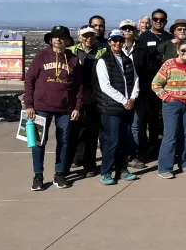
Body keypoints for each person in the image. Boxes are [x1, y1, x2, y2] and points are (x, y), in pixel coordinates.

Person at [24, 26, 82, 191]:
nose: (58, 40)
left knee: (64, 141)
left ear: (67, 41)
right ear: (51, 39)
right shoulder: (41, 56)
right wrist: (29, 105)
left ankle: (60, 173)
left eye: (62, 37)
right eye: (55, 37)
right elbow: (29, 81)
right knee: (38, 142)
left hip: (65, 108)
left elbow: (79, 86)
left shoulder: (73, 60)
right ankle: (38, 175)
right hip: (41, 107)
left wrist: (77, 107)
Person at [94, 29, 140, 185]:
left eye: (120, 40)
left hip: (126, 107)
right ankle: (106, 172)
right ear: (109, 42)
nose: (118, 43)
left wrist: (132, 97)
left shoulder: (127, 60)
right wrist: (123, 100)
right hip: (111, 108)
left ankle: (122, 169)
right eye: (114, 40)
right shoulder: (103, 61)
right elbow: (105, 86)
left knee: (124, 140)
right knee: (111, 140)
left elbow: (135, 80)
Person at [152, 39, 186, 179]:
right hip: (172, 104)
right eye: (184, 50)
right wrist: (166, 98)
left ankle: (184, 163)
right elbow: (156, 84)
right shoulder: (169, 64)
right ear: (177, 50)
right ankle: (164, 168)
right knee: (170, 136)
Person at [67, 25, 106, 177]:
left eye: (91, 35)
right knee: (74, 132)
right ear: (79, 37)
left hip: (95, 98)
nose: (89, 38)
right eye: (85, 35)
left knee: (92, 132)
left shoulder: (102, 52)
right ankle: (74, 159)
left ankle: (89, 164)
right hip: (75, 98)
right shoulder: (71, 51)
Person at [138, 8, 173, 159]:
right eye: (156, 19)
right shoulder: (144, 37)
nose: (159, 22)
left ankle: (165, 148)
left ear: (166, 21)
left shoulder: (170, 38)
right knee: (149, 118)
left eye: (162, 19)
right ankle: (148, 148)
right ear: (152, 21)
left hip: (169, 84)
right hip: (148, 84)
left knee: (165, 119)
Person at [119, 19, 150, 169]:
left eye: (130, 28)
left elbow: (147, 70)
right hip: (118, 93)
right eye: (124, 28)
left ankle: (135, 155)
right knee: (119, 125)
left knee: (136, 125)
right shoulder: (114, 47)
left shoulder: (142, 49)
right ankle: (120, 155)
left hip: (138, 92)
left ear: (135, 31)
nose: (127, 31)